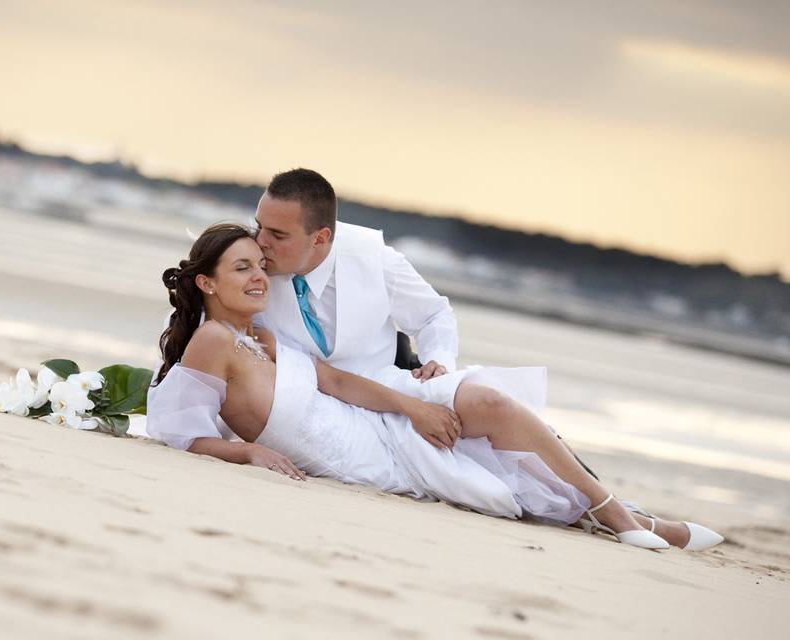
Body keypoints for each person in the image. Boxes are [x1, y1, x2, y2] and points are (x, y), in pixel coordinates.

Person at [137, 223, 724, 551]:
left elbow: (338, 380)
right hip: (360, 459)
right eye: (243, 267)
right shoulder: (215, 340)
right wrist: (246, 451)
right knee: (479, 471)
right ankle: (637, 524)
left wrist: (413, 406)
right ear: (207, 283)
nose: (260, 275)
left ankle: (620, 515)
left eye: (260, 264)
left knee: (487, 405)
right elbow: (177, 430)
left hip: (372, 420)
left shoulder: (261, 336)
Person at [254, 168, 600, 477]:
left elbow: (434, 314)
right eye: (259, 227)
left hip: (391, 385)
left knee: (496, 426)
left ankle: (607, 501)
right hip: (318, 410)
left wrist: (439, 360)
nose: (261, 242)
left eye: (278, 234)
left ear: (321, 237)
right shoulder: (248, 266)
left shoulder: (377, 261)